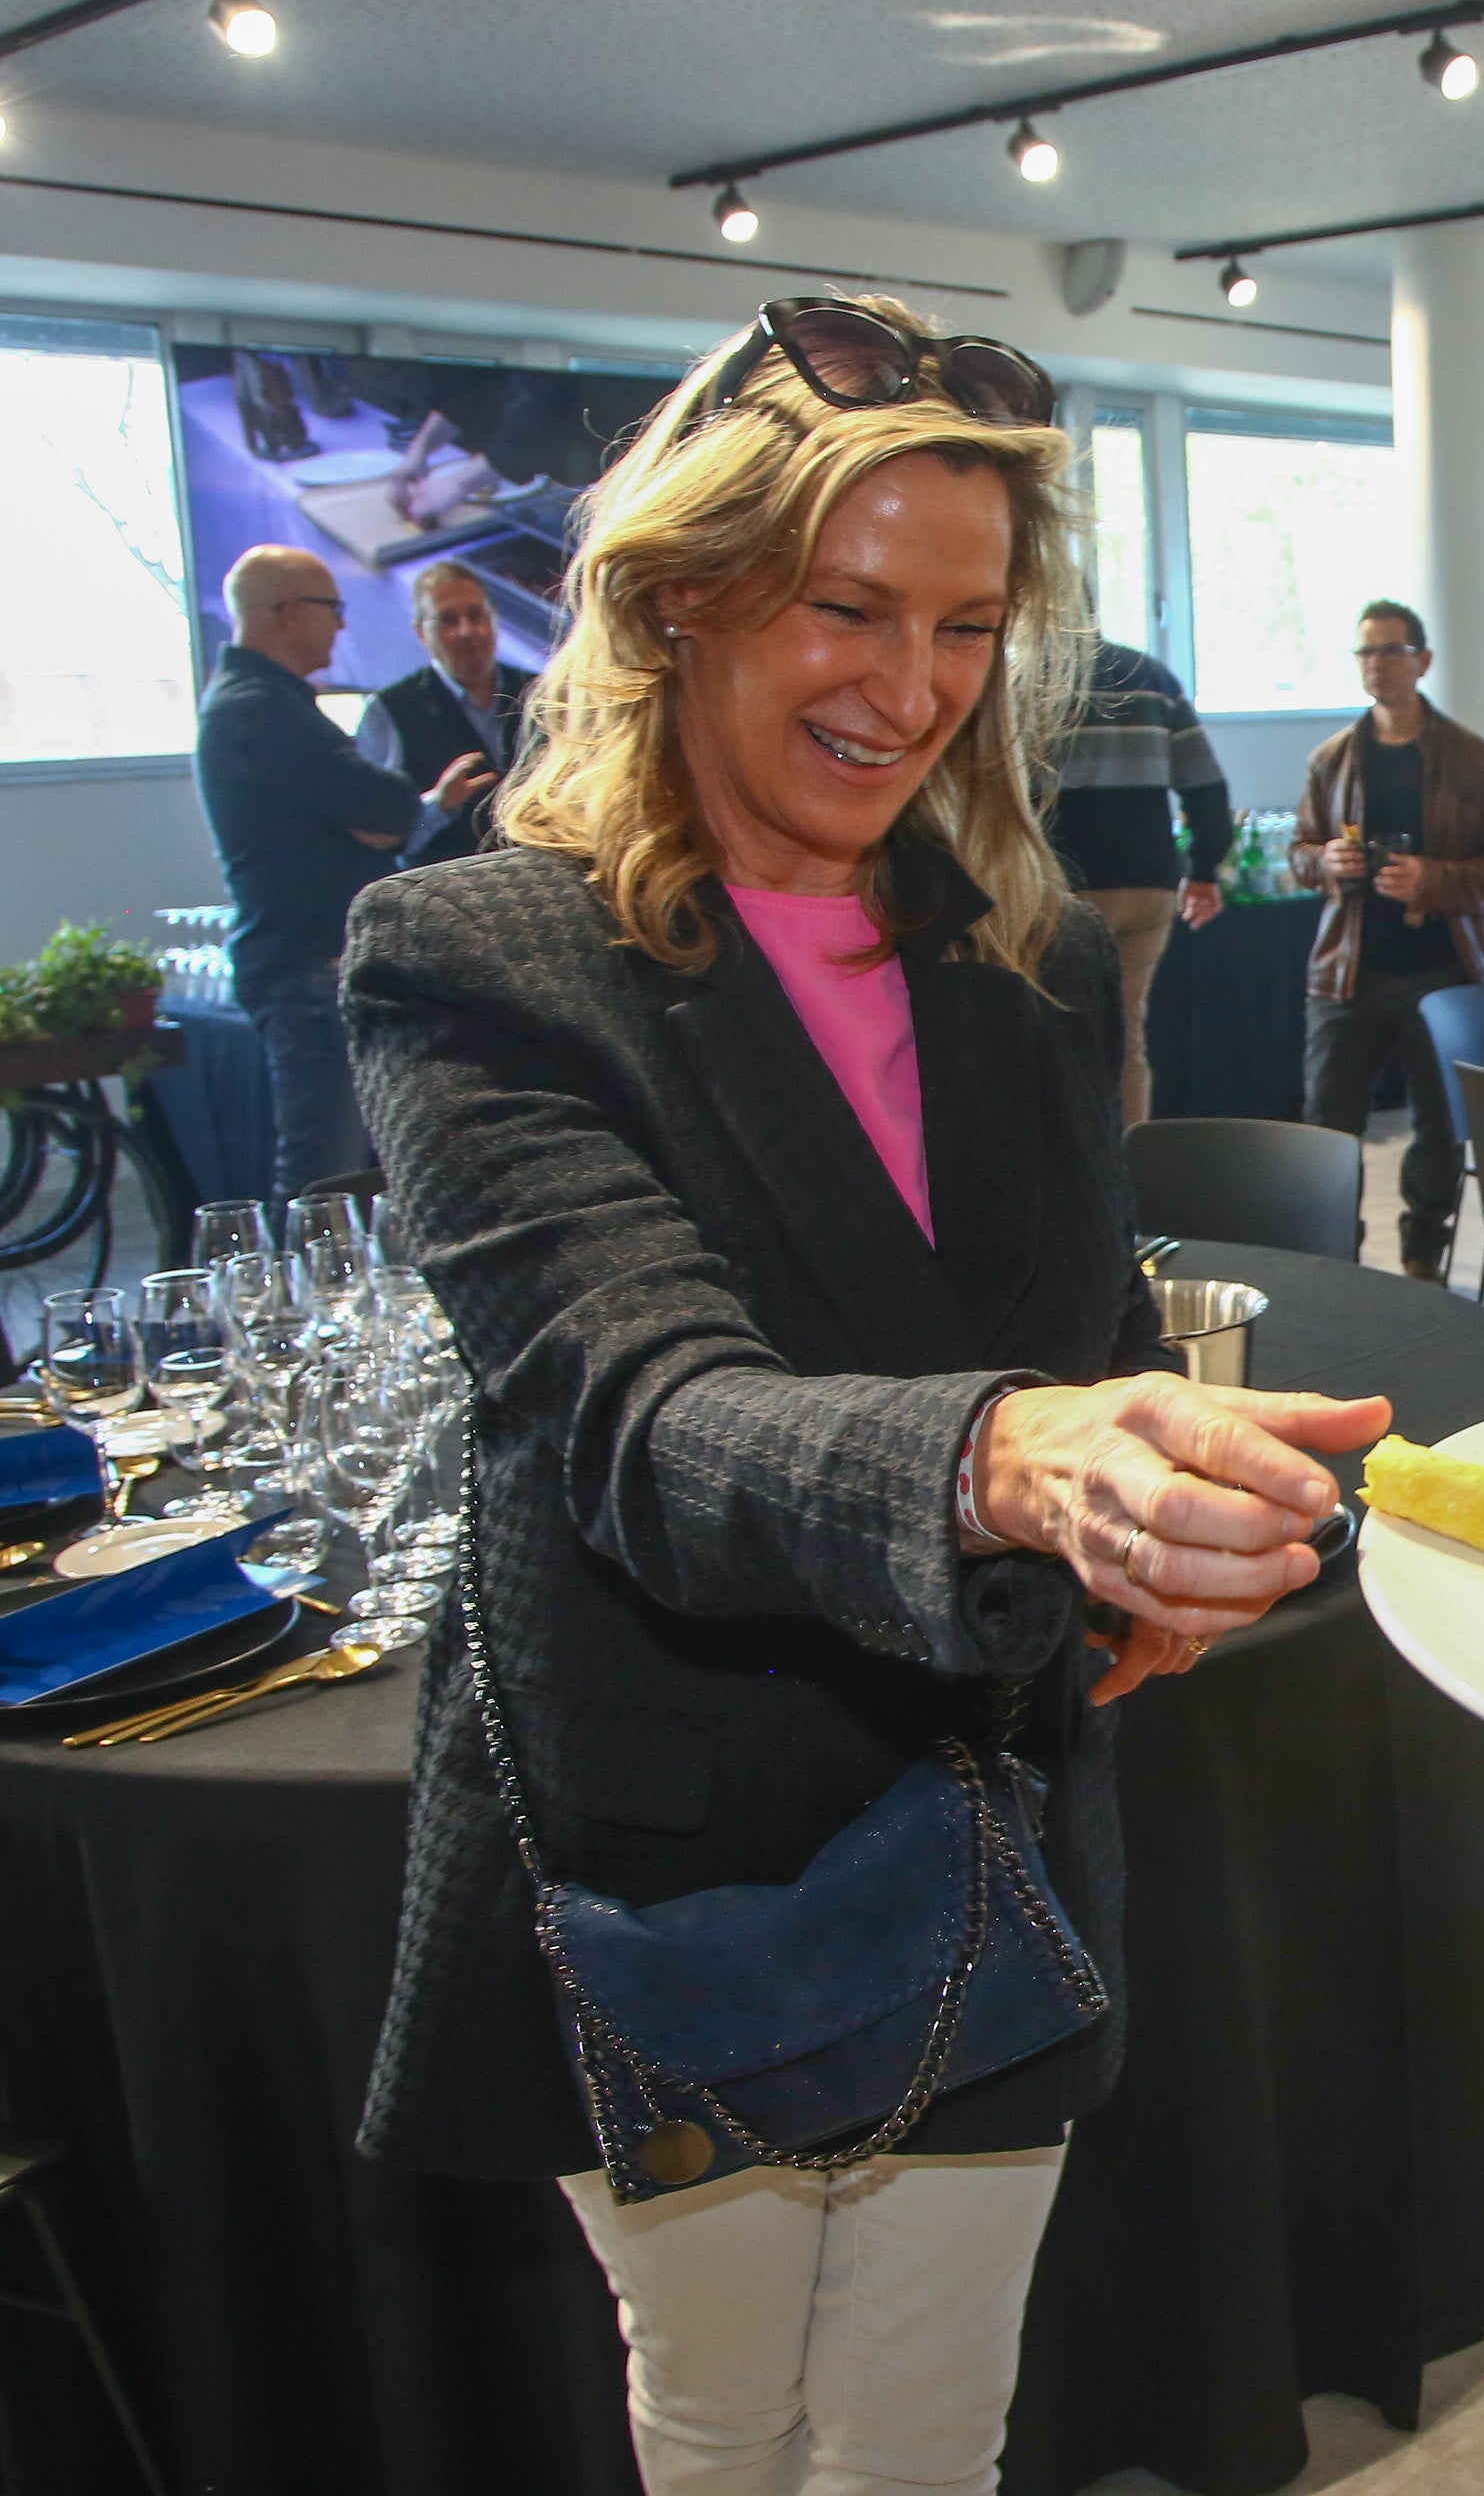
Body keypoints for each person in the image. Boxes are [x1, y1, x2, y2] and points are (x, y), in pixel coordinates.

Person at [342, 293, 1390, 2494]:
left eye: (960, 628)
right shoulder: (477, 955)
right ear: (682, 593)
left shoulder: (1001, 974)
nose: (907, 687)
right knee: (726, 2413)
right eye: (844, 606)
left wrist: (1176, 1526)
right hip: (677, 1830)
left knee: (926, 2421)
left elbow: (1093, 1330)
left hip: (992, 1804)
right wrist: (1016, 1455)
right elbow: (639, 1407)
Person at [195, 543, 489, 1197]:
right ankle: (311, 1295)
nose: (341, 624)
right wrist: (398, 812)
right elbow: (386, 807)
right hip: (306, 966)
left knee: (347, 1163)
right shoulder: (261, 709)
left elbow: (382, 814)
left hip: (305, 961)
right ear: (286, 612)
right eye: (332, 607)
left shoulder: (260, 702)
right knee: (325, 1174)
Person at [1290, 600, 1484, 1276]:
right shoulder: (1332, 760)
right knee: (1327, 1126)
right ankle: (1332, 1266)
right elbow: (1299, 850)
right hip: (1348, 969)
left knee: (1438, 1127)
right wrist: (1323, 863)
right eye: (1365, 652)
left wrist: (1434, 879)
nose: (1376, 665)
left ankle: (1422, 1258)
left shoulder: (1471, 758)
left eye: (1391, 651)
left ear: (1422, 661)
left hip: (1440, 970)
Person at [1045, 635, 1235, 1126]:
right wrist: (1204, 872)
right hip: (1149, 887)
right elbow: (1208, 787)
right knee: (1127, 1033)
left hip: (1061, 884)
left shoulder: (1028, 678)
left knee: (1054, 1033)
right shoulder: (1151, 677)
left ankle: (1071, 1176)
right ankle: (1127, 1170)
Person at [354, 558, 534, 866]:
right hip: (447, 896)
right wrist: (437, 807)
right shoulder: (390, 711)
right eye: (448, 620)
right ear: (421, 633)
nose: (467, 631)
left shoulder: (542, 692)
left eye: (476, 615)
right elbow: (382, 836)